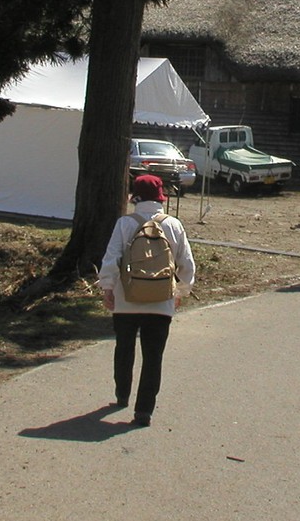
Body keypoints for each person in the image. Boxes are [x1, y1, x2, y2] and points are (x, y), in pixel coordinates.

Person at [97, 174, 196, 427]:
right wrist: (180, 292)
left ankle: (122, 393)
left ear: (135, 197)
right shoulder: (174, 225)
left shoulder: (124, 224)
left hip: (126, 298)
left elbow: (111, 258)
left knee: (124, 348)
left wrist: (108, 288)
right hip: (161, 301)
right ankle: (144, 411)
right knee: (153, 356)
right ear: (161, 197)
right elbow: (186, 265)